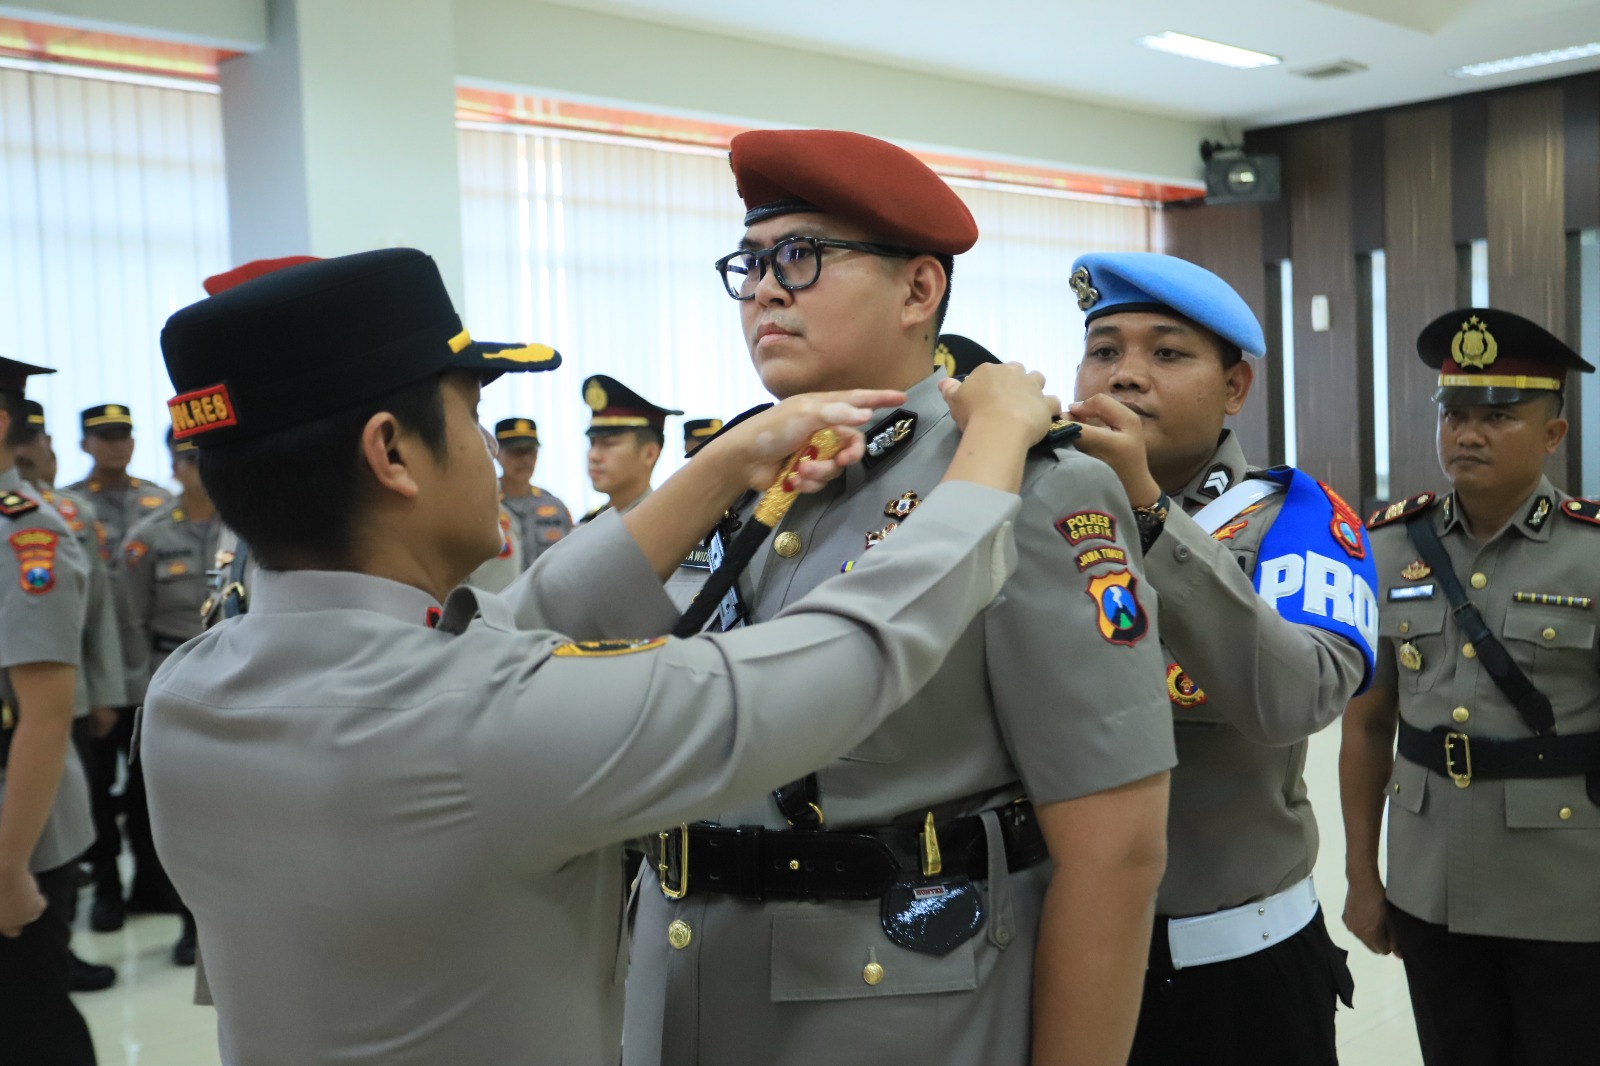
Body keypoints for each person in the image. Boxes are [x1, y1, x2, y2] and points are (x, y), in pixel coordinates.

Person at [140, 246, 1056, 1065]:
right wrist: (996, 442)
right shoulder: (489, 722)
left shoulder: (188, 695)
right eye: (474, 419)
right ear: (393, 454)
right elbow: (852, 652)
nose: (497, 458)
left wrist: (719, 469)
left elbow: (519, 625)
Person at [624, 129, 1175, 1066]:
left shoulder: (1030, 486)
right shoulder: (741, 476)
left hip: (888, 1008)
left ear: (920, 291)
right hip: (681, 989)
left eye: (799, 257)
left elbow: (1115, 849)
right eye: (749, 263)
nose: (763, 289)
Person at [1066, 253, 1370, 1064]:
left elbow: (1297, 698)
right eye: (1104, 349)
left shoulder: (1293, 519)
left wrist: (1151, 515)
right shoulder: (1034, 509)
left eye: (1166, 354)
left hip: (1232, 968)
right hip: (1054, 953)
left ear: (1234, 388)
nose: (1126, 377)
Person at [1340, 308, 1599, 1066]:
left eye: (1497, 417)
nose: (1468, 435)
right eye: (1454, 415)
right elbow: (1365, 726)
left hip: (1570, 886)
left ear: (1552, 434)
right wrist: (1363, 874)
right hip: (1432, 881)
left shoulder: (1591, 556)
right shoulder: (1387, 546)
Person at [0, 355, 96, 1065]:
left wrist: (6, 869)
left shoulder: (25, 535)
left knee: (29, 1024)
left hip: (16, 825)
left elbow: (46, 712)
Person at [13, 400, 124, 988]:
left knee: (68, 827)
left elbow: (101, 616)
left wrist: (105, 691)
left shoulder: (52, 520)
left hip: (60, 702)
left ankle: (66, 942)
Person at [119, 429, 225, 965]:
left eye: (201, 457)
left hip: (233, 679)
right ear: (173, 466)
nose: (194, 467)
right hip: (168, 680)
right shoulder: (148, 536)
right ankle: (189, 923)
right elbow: (131, 623)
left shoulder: (248, 526)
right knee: (181, 813)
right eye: (185, 458)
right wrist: (139, 698)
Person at [66, 402, 174, 920]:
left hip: (151, 670)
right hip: (95, 670)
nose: (117, 444)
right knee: (93, 790)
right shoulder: (65, 507)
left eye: (124, 434)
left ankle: (151, 887)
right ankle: (107, 887)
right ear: (85, 443)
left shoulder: (161, 500)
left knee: (146, 791)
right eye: (105, 436)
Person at [580, 375, 680, 522]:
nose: (593, 456)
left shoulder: (670, 525)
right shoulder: (585, 526)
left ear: (649, 454)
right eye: (592, 443)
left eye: (609, 443)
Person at [492, 417, 572, 567]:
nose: (525, 459)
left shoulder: (555, 507)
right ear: (497, 453)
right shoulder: (485, 504)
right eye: (516, 451)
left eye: (531, 451)